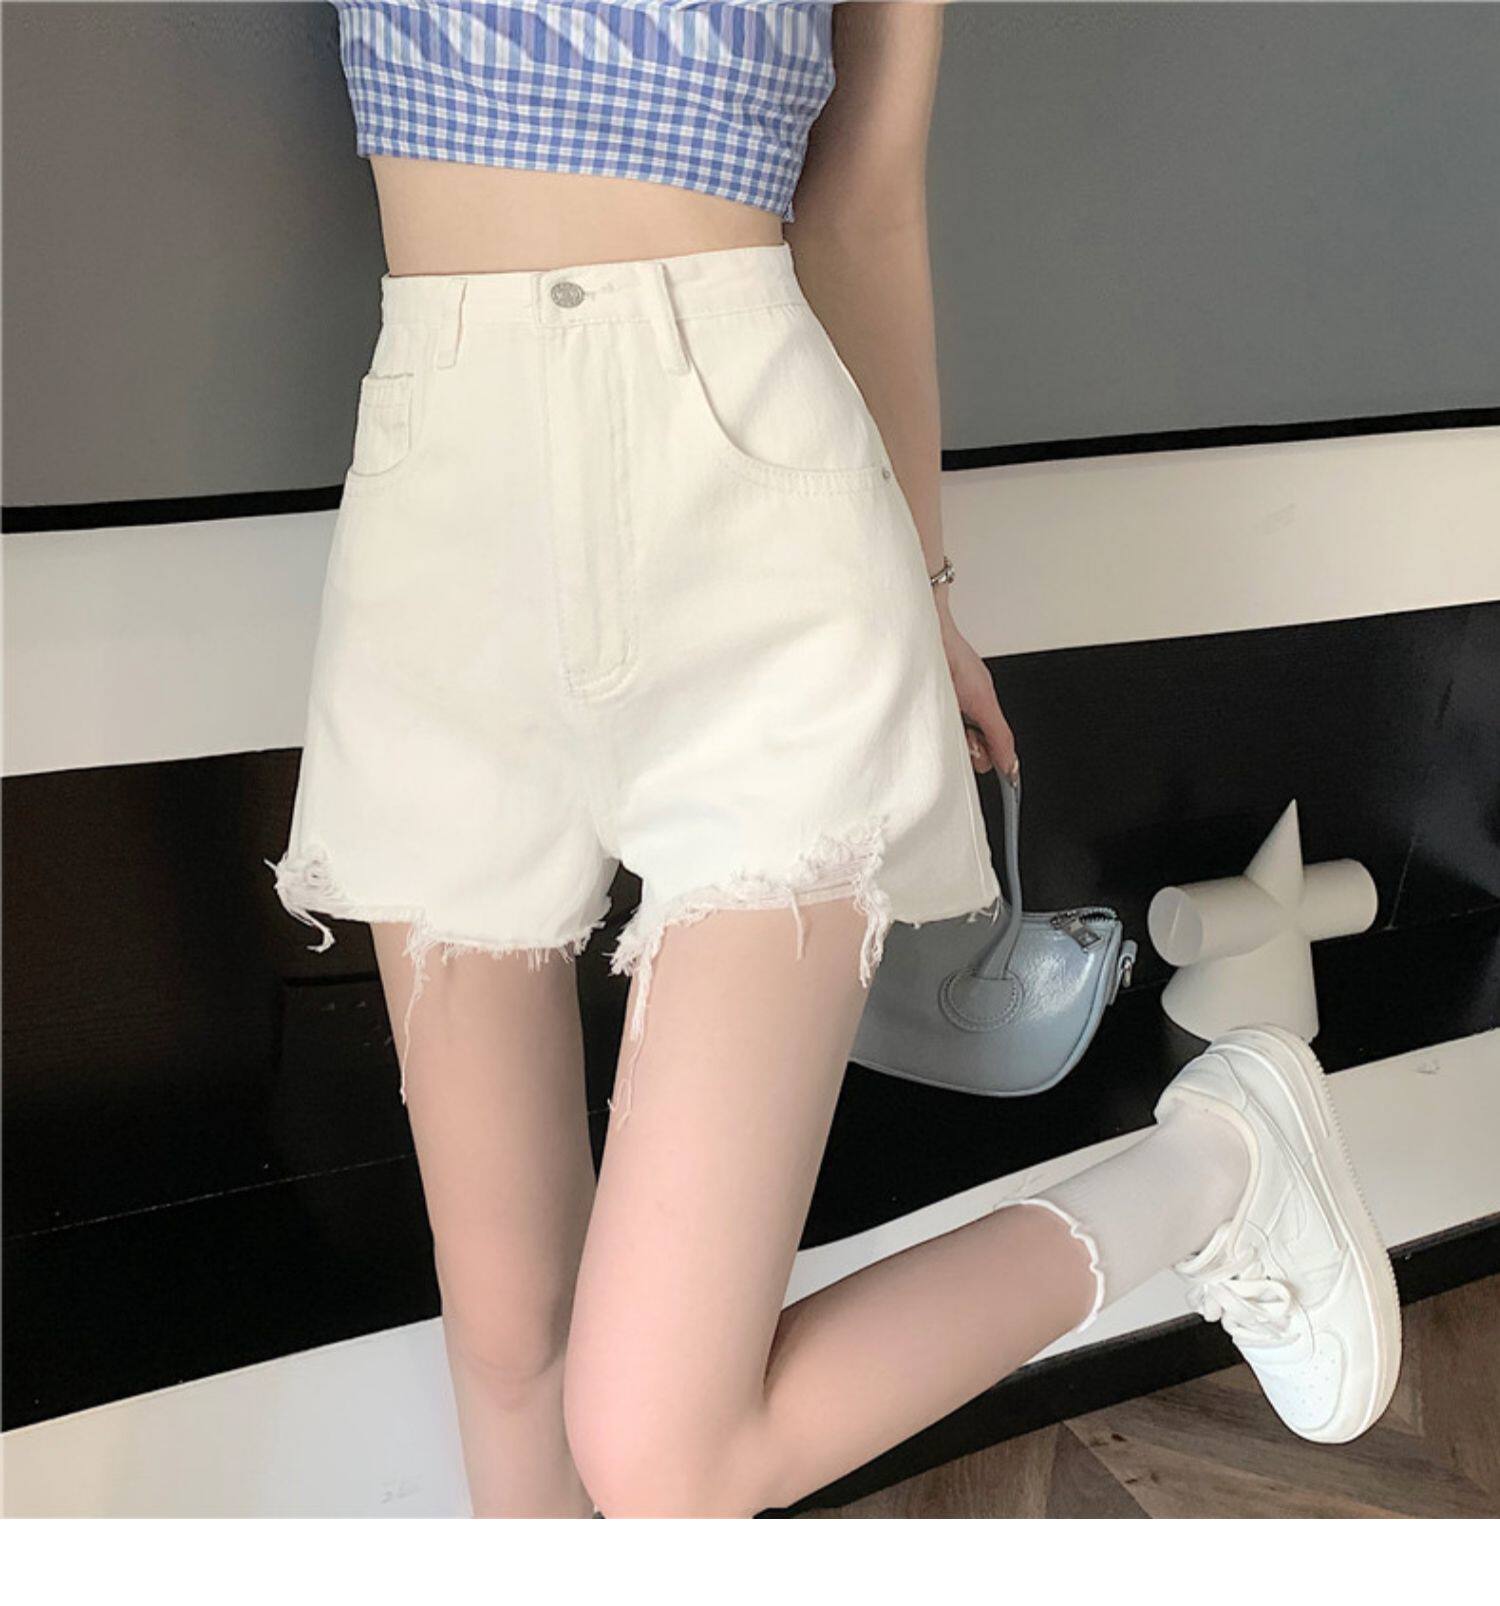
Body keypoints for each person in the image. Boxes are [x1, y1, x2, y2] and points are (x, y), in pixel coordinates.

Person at [268, 1, 1401, 1518]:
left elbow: (861, 208)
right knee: (505, 1333)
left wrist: (926, 596)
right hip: (440, 543)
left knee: (662, 1451)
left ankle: (1221, 1166)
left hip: (758, 535)